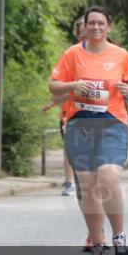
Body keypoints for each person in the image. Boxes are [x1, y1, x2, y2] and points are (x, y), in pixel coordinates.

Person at [50, 6, 128, 255]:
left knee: (108, 177)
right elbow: (53, 87)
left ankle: (119, 235)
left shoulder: (120, 55)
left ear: (108, 27)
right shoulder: (72, 55)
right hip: (81, 124)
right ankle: (97, 242)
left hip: (112, 122)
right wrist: (73, 85)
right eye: (92, 23)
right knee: (88, 186)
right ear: (85, 27)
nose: (96, 27)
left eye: (101, 23)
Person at [44, 16, 87, 197]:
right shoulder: (70, 55)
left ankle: (88, 180)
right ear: (77, 33)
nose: (88, 31)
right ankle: (69, 181)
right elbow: (57, 89)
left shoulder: (108, 54)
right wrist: (72, 89)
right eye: (84, 29)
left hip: (99, 114)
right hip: (70, 113)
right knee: (70, 149)